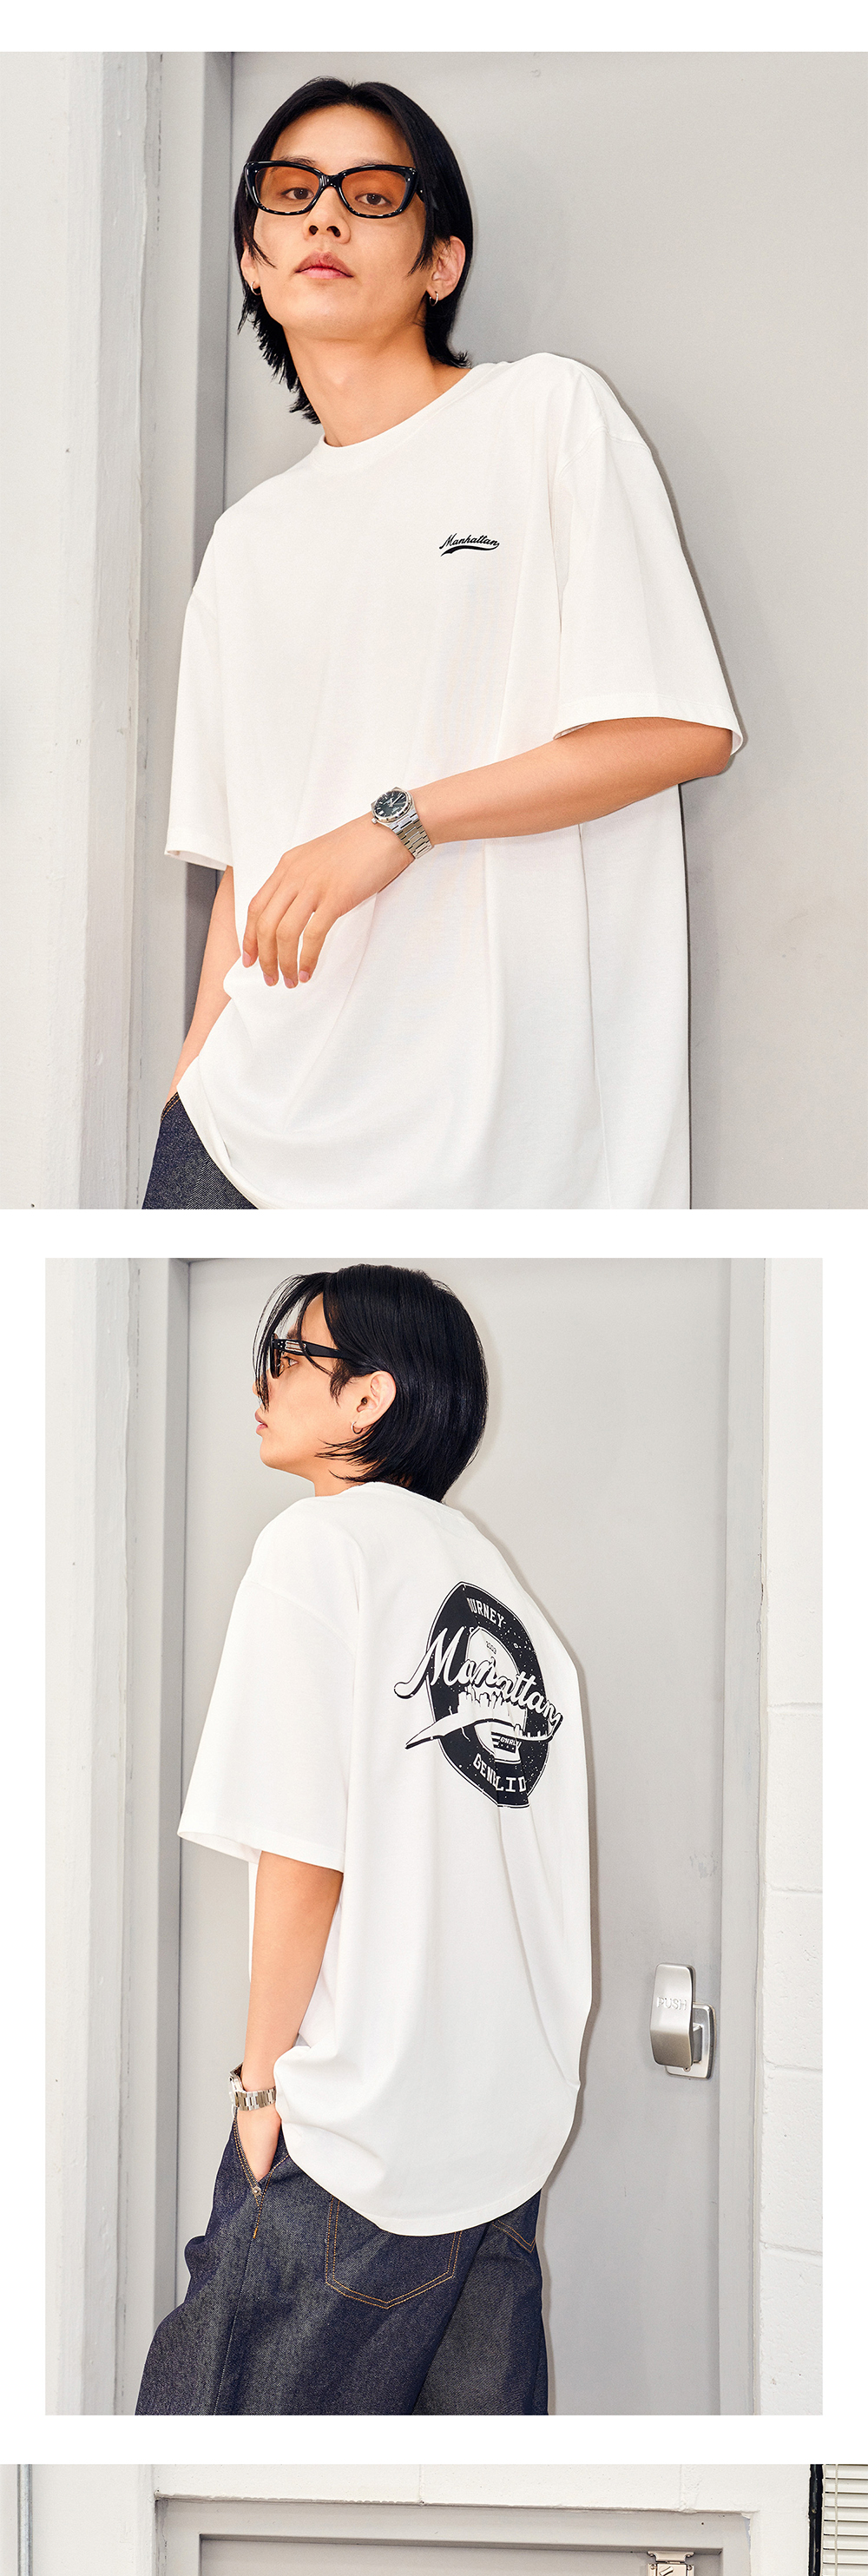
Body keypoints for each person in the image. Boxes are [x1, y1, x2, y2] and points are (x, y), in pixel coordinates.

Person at [142, 71, 740, 1219]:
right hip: (238, 1133)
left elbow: (680, 731)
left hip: (493, 1140)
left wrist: (395, 824)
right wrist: (185, 1094)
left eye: (372, 194)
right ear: (254, 260)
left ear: (441, 262)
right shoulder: (246, 544)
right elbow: (245, 869)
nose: (325, 216)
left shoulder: (545, 416)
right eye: (291, 192)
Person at [136, 1261, 591, 2418]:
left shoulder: (317, 1550)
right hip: (499, 2146)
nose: (265, 1381)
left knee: (219, 2434)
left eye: (291, 1354)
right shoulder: (504, 1597)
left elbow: (304, 1855)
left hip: (356, 2143)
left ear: (368, 1397)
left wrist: (257, 2087)